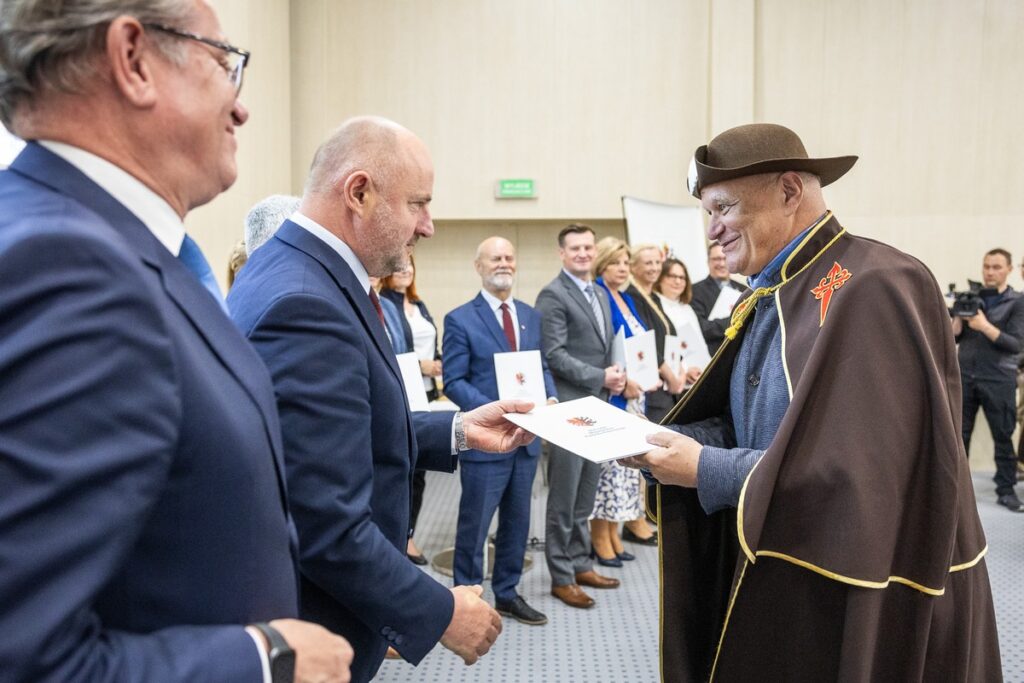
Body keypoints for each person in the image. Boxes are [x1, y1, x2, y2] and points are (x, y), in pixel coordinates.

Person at [0, 2, 352, 682]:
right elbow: (22, 654)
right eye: (225, 64)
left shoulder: (97, 243)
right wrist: (264, 658)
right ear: (132, 59)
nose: (241, 108)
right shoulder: (72, 267)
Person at [622, 123, 1000, 681]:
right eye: (707, 214)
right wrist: (665, 444)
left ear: (791, 191)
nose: (712, 231)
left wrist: (702, 467)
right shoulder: (775, 290)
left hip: (860, 588)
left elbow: (862, 476)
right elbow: (749, 425)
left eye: (723, 208)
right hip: (794, 562)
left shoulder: (874, 284)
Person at [228, 116, 536, 683]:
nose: (429, 226)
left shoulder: (306, 272)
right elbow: (322, 520)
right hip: (312, 622)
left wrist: (458, 429)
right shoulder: (306, 303)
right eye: (418, 204)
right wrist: (439, 611)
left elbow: (345, 428)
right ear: (359, 192)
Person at [443, 236, 558, 626]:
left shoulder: (530, 315)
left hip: (525, 442)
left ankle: (507, 593)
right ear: (478, 266)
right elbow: (454, 381)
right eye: (495, 258)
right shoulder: (459, 319)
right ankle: (467, 598)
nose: (504, 263)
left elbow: (539, 368)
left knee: (517, 521)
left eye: (510, 257)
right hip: (485, 441)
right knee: (474, 523)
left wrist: (552, 398)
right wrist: (496, 413)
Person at [536, 223, 626, 609]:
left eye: (588, 247)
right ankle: (560, 575)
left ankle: (580, 561)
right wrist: (599, 376)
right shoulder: (553, 295)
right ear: (562, 253)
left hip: (598, 408)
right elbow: (553, 355)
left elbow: (604, 346)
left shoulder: (600, 293)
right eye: (575, 248)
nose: (584, 254)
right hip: (569, 411)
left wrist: (615, 375)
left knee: (585, 496)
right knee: (563, 499)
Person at [591, 238, 654, 566]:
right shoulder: (599, 294)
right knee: (608, 471)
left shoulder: (627, 297)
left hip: (634, 394)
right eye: (615, 262)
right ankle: (600, 535)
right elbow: (601, 348)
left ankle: (615, 530)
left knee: (626, 470)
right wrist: (623, 381)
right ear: (602, 264)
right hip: (612, 394)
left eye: (625, 263)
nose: (622, 269)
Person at [951, 248, 1024, 511]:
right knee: (959, 436)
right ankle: (957, 492)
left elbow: (1015, 344)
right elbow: (953, 338)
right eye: (987, 266)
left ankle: (1006, 490)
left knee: (1003, 436)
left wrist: (985, 327)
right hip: (965, 377)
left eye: (996, 267)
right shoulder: (971, 298)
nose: (990, 272)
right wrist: (957, 319)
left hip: (999, 379)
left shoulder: (1018, 302)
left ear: (1009, 269)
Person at [380, 254, 440, 565]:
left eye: (410, 265)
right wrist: (421, 366)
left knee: (419, 470)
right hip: (402, 393)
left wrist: (437, 364)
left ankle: (408, 532)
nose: (406, 270)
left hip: (426, 394)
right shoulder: (382, 302)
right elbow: (392, 352)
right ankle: (403, 536)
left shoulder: (419, 304)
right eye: (400, 265)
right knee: (405, 470)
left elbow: (430, 343)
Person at [654, 257, 708, 387]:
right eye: (672, 276)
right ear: (660, 278)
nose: (677, 281)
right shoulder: (655, 306)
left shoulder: (687, 308)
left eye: (682, 277)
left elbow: (700, 343)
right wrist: (685, 369)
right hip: (673, 380)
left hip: (700, 377)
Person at [690, 243, 746, 354]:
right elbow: (702, 328)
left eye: (725, 258)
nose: (721, 263)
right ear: (708, 262)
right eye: (716, 259)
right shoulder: (694, 291)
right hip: (717, 356)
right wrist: (738, 321)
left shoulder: (745, 290)